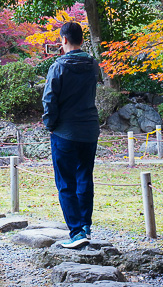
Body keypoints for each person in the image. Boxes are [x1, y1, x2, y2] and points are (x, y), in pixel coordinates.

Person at [42, 21, 101, 249]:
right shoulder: (93, 65)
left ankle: (76, 233)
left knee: (66, 183)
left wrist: (51, 124)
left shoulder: (58, 67)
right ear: (82, 40)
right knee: (85, 177)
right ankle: (85, 226)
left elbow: (49, 100)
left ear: (63, 40)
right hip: (89, 130)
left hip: (65, 132)